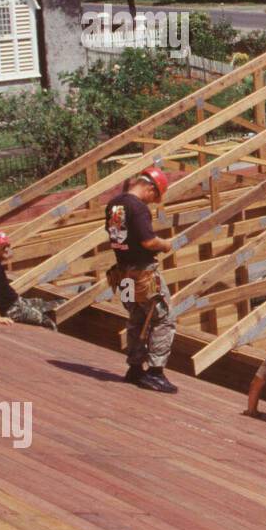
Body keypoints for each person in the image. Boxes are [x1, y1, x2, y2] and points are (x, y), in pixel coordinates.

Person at [106, 167, 178, 393]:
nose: (154, 202)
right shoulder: (138, 207)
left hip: (123, 273)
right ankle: (155, 372)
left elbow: (118, 237)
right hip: (143, 275)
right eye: (155, 197)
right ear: (150, 188)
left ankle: (135, 368)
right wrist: (165, 244)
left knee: (136, 316)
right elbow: (148, 242)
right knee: (164, 318)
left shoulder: (115, 204)